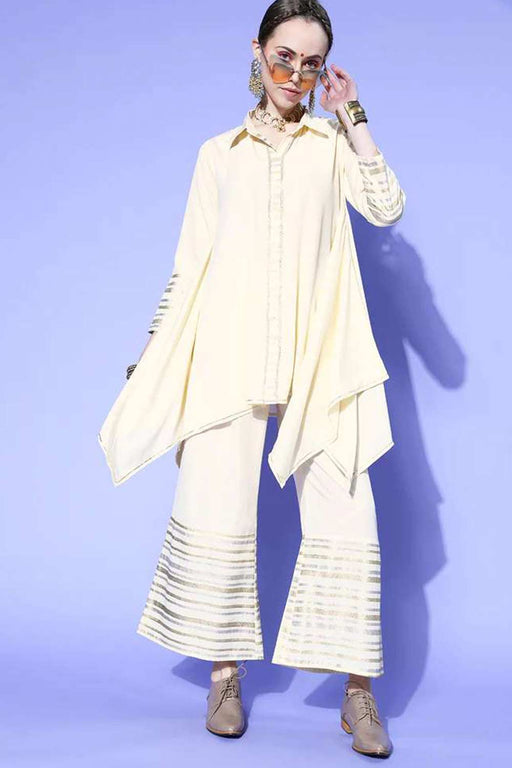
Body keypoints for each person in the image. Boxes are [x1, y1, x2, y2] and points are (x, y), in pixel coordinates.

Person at [98, 0, 406, 757]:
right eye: (283, 56)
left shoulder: (330, 147)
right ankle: (224, 675)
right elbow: (188, 266)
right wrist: (154, 355)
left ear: (323, 70)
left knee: (347, 512)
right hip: (227, 354)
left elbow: (386, 208)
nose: (294, 74)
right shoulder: (218, 154)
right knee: (219, 507)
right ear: (258, 51)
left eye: (310, 63)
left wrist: (353, 115)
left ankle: (357, 692)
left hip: (320, 358)